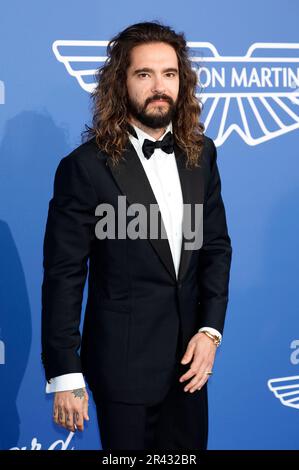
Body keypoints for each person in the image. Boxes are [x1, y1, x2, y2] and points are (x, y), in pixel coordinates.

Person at [41, 20, 232, 450]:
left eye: (169, 74)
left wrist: (210, 331)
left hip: (189, 370)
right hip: (122, 369)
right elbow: (64, 276)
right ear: (120, 83)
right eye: (144, 74)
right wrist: (66, 375)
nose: (158, 86)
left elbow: (216, 247)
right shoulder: (86, 168)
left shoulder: (202, 155)